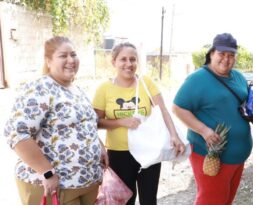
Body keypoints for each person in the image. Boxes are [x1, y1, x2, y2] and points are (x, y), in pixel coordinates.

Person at [3, 36, 108, 205]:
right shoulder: (40, 88)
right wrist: (47, 172)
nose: (70, 60)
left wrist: (99, 146)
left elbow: (85, 125)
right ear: (48, 61)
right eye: (63, 56)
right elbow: (16, 133)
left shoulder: (76, 89)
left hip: (86, 182)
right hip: (56, 186)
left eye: (73, 54)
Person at [92, 42, 186, 205]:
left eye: (133, 59)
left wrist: (174, 135)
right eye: (123, 59)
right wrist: (120, 122)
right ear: (114, 62)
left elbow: (163, 111)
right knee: (125, 200)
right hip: (119, 153)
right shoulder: (104, 89)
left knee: (149, 200)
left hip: (148, 150)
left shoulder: (146, 83)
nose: (129, 64)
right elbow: (95, 123)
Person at [172, 33, 253, 205]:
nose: (226, 59)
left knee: (225, 200)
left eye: (231, 55)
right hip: (212, 155)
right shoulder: (198, 78)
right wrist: (203, 130)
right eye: (222, 54)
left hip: (238, 156)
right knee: (211, 201)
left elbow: (242, 103)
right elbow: (178, 108)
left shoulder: (238, 76)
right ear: (211, 53)